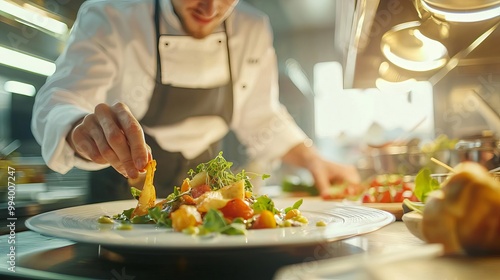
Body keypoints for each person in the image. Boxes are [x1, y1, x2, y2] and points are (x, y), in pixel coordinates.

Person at [31, 0, 360, 202]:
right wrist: (79, 128)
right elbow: (59, 100)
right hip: (122, 192)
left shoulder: (252, 28)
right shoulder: (111, 17)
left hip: (207, 191)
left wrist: (312, 159)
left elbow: (261, 117)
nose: (210, 7)